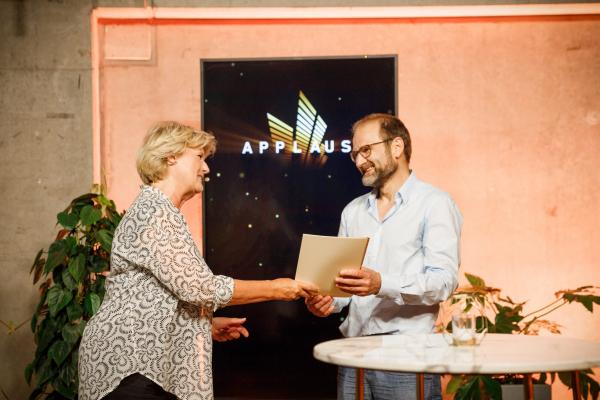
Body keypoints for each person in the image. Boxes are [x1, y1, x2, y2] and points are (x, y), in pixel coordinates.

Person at [78, 121, 318, 400]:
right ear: (171, 156)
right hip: (129, 364)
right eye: (199, 157)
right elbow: (201, 288)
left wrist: (203, 324)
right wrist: (278, 289)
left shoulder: (159, 210)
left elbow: (163, 292)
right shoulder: (155, 212)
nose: (206, 169)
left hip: (140, 365)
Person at [306, 113, 462, 400]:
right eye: (354, 154)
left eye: (366, 150)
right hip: (352, 354)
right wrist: (328, 302)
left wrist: (381, 283)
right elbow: (345, 289)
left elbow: (443, 282)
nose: (358, 161)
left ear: (397, 147)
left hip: (408, 354)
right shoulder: (352, 211)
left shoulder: (435, 204)